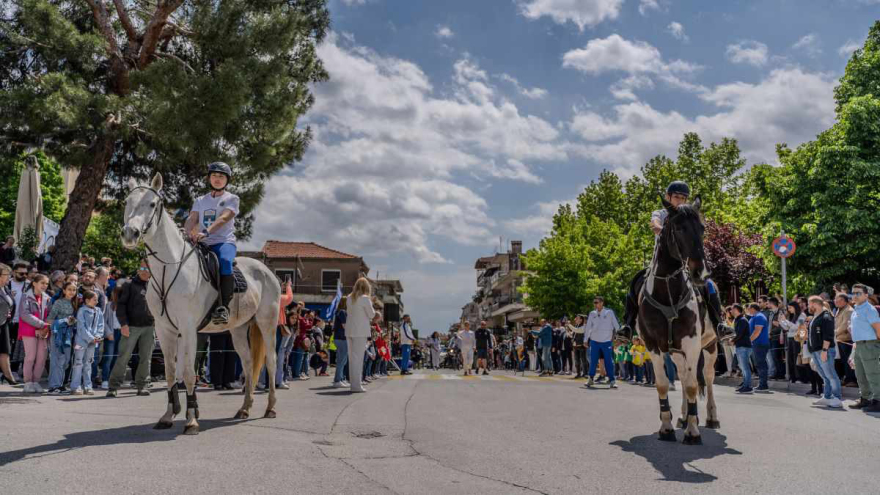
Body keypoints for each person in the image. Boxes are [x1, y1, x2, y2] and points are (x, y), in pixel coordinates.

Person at [621, 181, 691, 335]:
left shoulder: (687, 216)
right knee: (634, 284)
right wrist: (667, 232)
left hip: (683, 264)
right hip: (659, 264)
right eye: (676, 197)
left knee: (708, 284)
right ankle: (627, 325)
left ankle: (718, 322)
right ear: (668, 197)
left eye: (683, 198)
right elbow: (655, 226)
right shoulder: (660, 213)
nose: (679, 200)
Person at [184, 162, 240, 325]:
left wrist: (206, 232)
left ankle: (223, 308)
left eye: (221, 176)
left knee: (224, 262)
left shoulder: (231, 198)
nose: (217, 179)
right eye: (214, 175)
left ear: (227, 180)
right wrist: (186, 231)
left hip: (223, 242)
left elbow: (224, 218)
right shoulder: (200, 200)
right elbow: (192, 218)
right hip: (202, 243)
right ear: (209, 178)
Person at [107, 261, 155, 398]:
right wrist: (123, 324)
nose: (145, 271)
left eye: (148, 268)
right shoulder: (129, 284)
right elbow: (120, 305)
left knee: (146, 358)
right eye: (142, 268)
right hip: (131, 327)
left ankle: (143, 385)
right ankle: (113, 387)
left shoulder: (155, 285)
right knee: (123, 357)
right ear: (138, 270)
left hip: (149, 326)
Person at [847, 284, 880, 412]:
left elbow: (878, 329)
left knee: (873, 374)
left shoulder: (869, 309)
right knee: (860, 374)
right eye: (853, 293)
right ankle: (865, 398)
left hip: (869, 345)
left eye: (858, 293)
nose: (855, 295)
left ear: (866, 295)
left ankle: (878, 400)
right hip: (859, 345)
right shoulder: (856, 309)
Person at [806, 296, 842, 408]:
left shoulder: (826, 316)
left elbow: (828, 335)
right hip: (815, 350)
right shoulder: (815, 316)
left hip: (823, 350)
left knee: (831, 374)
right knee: (824, 375)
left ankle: (837, 397)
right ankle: (827, 397)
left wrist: (825, 350)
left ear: (815, 304)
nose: (808, 306)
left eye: (809, 304)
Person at [19, 273, 50, 394]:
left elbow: (50, 315)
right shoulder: (25, 296)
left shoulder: (47, 298)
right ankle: (27, 383)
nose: (45, 285)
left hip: (43, 331)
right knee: (30, 357)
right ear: (34, 283)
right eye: (42, 283)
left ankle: (36, 381)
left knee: (41, 358)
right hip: (29, 331)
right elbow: (25, 314)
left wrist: (45, 328)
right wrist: (42, 324)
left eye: (46, 283)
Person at [46, 282, 78, 394]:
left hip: (69, 335)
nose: (72, 292)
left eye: (74, 290)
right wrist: (64, 321)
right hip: (57, 334)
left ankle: (60, 384)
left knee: (66, 361)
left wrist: (74, 322)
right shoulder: (58, 302)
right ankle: (53, 386)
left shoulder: (76, 303)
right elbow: (49, 320)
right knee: (56, 360)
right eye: (69, 289)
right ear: (64, 290)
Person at [70, 290, 104, 396]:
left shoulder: (98, 311)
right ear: (87, 300)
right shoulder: (82, 311)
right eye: (94, 300)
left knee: (88, 364)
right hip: (81, 341)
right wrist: (90, 338)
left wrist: (98, 336)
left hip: (93, 342)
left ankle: (87, 386)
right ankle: (75, 386)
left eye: (97, 299)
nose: (97, 302)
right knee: (78, 363)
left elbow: (100, 325)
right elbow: (81, 327)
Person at [346, 277, 375, 393]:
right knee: (358, 359)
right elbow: (372, 315)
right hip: (360, 331)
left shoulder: (349, 298)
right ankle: (357, 386)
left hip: (349, 330)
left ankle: (353, 384)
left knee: (352, 359)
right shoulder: (365, 298)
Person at [585, 297, 619, 388]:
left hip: (606, 341)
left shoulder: (609, 312)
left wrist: (618, 338)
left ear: (602, 303)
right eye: (594, 302)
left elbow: (616, 325)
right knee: (593, 361)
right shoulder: (592, 313)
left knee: (609, 361)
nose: (595, 304)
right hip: (594, 341)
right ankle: (590, 379)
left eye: (597, 302)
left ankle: (612, 380)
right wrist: (585, 340)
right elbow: (588, 327)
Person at [100, 284, 123, 390]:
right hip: (111, 333)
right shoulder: (109, 305)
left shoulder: (125, 306)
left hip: (121, 333)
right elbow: (103, 321)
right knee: (108, 357)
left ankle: (113, 379)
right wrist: (108, 333)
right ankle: (105, 379)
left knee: (117, 358)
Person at [832, 293, 857, 387]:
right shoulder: (839, 310)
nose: (835, 302)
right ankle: (847, 378)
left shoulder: (848, 310)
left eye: (838, 300)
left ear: (844, 301)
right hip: (839, 339)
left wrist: (833, 333)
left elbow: (845, 326)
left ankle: (852, 380)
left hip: (846, 340)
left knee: (848, 361)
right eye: (835, 300)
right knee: (843, 361)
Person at [779, 301, 806, 385]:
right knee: (790, 359)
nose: (789, 310)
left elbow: (797, 327)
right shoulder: (793, 316)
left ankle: (800, 377)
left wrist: (786, 321)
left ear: (795, 307)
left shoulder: (802, 315)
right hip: (790, 338)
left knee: (796, 358)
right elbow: (787, 328)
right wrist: (781, 321)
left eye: (790, 307)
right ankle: (793, 377)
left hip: (798, 339)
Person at [746, 303, 770, 392]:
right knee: (759, 364)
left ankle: (763, 385)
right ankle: (762, 384)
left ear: (752, 308)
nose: (747, 310)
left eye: (748, 308)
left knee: (761, 364)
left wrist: (748, 341)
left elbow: (757, 331)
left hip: (760, 344)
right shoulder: (754, 317)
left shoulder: (759, 316)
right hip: (756, 344)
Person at [731, 304, 753, 394]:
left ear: (736, 309)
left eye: (732, 309)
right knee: (743, 367)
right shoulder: (738, 319)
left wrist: (733, 340)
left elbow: (740, 333)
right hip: (740, 346)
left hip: (744, 346)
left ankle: (747, 386)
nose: (730, 311)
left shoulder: (742, 320)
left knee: (745, 367)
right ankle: (745, 384)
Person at [332, 299, 350, 388]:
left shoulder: (339, 312)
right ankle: (337, 380)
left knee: (343, 360)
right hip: (342, 338)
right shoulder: (342, 312)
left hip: (339, 338)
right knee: (341, 360)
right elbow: (345, 325)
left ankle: (340, 379)